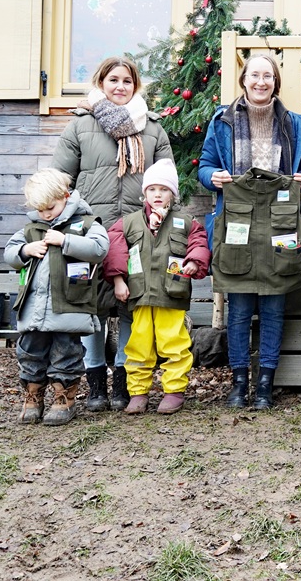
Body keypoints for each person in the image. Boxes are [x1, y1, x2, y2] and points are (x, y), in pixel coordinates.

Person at [52, 56, 173, 413]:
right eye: (113, 80)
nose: (120, 87)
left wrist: (161, 220)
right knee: (92, 309)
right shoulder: (81, 126)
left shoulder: (153, 129)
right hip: (91, 231)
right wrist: (66, 223)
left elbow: (168, 182)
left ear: (136, 86)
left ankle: (123, 381)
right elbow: (60, 181)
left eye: (127, 81)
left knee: (130, 308)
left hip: (137, 232)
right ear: (101, 83)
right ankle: (95, 386)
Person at [198, 54, 301, 410]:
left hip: (282, 222)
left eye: (268, 76)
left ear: (275, 81)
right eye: (254, 75)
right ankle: (239, 384)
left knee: (274, 308)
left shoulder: (295, 124)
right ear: (244, 80)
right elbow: (205, 167)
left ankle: (264, 385)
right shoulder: (222, 121)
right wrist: (213, 176)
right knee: (239, 310)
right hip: (237, 222)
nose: (261, 82)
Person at [102, 159, 210, 415]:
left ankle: (174, 391)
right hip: (139, 297)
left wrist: (193, 262)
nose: (158, 194)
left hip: (171, 296)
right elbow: (115, 251)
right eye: (152, 189)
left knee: (174, 345)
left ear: (173, 194)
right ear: (145, 193)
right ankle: (138, 392)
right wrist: (118, 280)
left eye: (164, 189)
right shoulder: (128, 223)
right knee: (138, 346)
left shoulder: (186, 222)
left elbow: (199, 243)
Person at [4, 169, 109, 426]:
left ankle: (64, 399)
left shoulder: (86, 224)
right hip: (35, 310)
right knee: (30, 352)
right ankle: (33, 397)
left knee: (66, 352)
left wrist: (65, 241)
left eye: (50, 208)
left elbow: (99, 248)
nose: (46, 215)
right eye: (40, 210)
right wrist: (25, 250)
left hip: (69, 306)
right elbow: (9, 253)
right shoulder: (32, 229)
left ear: (65, 196)